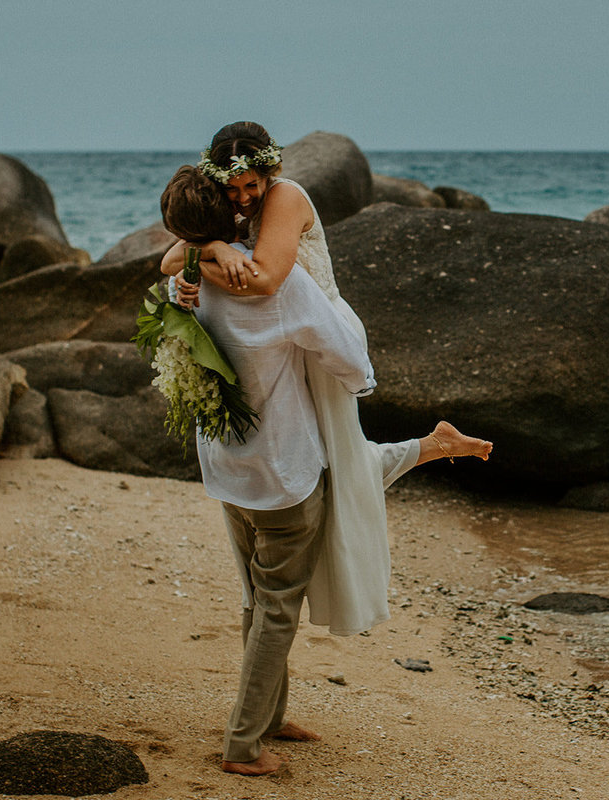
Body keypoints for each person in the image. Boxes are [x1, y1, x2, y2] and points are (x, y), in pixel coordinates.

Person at [161, 125, 491, 638]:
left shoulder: (286, 197)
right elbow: (166, 261)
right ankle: (433, 444)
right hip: (286, 332)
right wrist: (214, 247)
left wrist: (212, 255)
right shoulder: (223, 220)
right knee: (338, 464)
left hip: (320, 331)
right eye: (234, 190)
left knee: (342, 465)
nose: (245, 199)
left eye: (253, 186)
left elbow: (267, 279)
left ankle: (433, 445)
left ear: (270, 172)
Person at [159, 165, 376, 775]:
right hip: (284, 470)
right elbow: (349, 360)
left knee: (257, 599)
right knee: (278, 607)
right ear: (234, 215)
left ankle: (271, 717)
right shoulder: (278, 285)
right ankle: (243, 744)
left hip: (228, 465)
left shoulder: (183, 282)